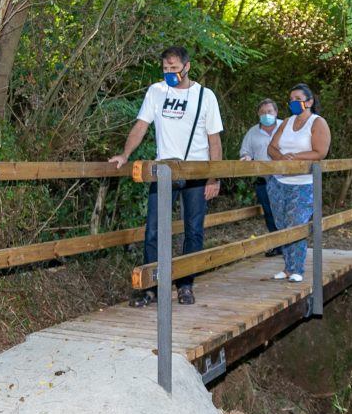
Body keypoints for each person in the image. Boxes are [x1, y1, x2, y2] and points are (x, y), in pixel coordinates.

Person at [109, 46, 224, 307]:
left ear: (187, 67)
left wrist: (213, 177)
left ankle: (185, 285)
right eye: (165, 68)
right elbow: (141, 126)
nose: (170, 72)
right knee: (154, 230)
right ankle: (151, 288)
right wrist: (125, 155)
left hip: (196, 171)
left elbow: (214, 141)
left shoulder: (205, 96)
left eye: (174, 68)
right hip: (163, 171)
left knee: (193, 231)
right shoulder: (156, 91)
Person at [266, 83, 331, 283]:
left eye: (298, 99)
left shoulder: (317, 123)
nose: (294, 102)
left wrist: (295, 158)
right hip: (279, 182)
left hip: (303, 183)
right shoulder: (286, 122)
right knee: (282, 225)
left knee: (297, 224)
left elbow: (320, 152)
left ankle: (298, 269)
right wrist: (281, 159)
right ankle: (287, 267)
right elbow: (272, 147)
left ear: (309, 101)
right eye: (291, 99)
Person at [239, 98, 283, 256]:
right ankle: (278, 245)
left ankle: (291, 245)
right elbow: (245, 152)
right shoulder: (252, 132)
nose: (266, 115)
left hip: (285, 179)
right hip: (263, 180)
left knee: (286, 213)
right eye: (263, 112)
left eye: (269, 111)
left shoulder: (286, 127)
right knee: (270, 214)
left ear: (276, 112)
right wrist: (246, 158)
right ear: (258, 114)